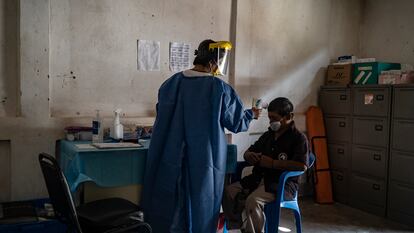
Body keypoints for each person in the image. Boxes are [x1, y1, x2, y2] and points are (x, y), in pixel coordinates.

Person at [141, 39, 261, 233]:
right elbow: (237, 122)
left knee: (169, 201)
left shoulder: (170, 84)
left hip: (170, 155)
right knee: (201, 203)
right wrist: (251, 114)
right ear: (215, 62)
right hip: (204, 158)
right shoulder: (219, 89)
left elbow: (161, 114)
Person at [222, 97, 309, 233]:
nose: (271, 122)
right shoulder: (268, 135)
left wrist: (274, 163)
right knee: (228, 191)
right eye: (269, 118)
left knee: (253, 201)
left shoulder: (298, 138)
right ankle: (239, 226)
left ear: (289, 116)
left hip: (280, 185)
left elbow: (302, 166)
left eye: (275, 118)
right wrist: (248, 155)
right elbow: (251, 150)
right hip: (258, 179)